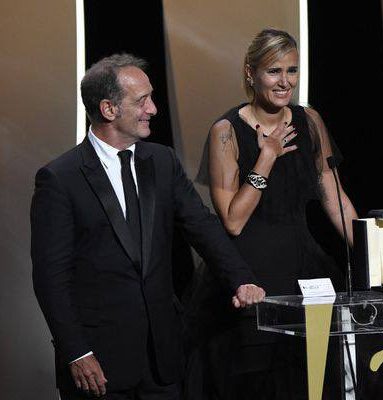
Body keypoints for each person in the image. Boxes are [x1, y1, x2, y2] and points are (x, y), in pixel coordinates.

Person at [31, 54, 265, 400]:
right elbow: (51, 278)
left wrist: (241, 278)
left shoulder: (162, 161)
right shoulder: (60, 178)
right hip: (98, 364)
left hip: (163, 358)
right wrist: (76, 352)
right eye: (142, 101)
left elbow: (201, 226)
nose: (153, 109)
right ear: (109, 109)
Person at [186, 28, 358, 399]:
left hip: (304, 271)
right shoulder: (226, 131)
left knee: (312, 382)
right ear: (251, 73)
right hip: (251, 278)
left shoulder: (309, 121)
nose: (285, 82)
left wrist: (370, 252)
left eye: (292, 71)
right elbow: (233, 220)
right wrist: (266, 157)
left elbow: (335, 197)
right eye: (274, 71)